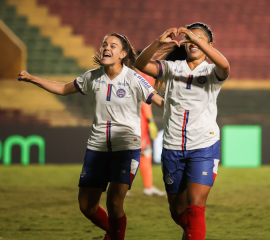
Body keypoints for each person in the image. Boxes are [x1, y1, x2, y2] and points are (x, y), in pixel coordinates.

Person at [17, 33, 164, 240]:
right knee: (86, 206)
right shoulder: (92, 76)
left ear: (122, 54)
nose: (106, 47)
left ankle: (115, 237)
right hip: (97, 147)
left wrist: (180, 108)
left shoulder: (133, 78)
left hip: (126, 147)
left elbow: (159, 101)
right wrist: (32, 78)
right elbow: (63, 88)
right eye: (104, 44)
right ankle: (111, 233)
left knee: (114, 201)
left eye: (113, 45)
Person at [135, 22, 230, 240]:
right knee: (178, 211)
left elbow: (225, 65)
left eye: (199, 38)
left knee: (196, 207)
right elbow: (141, 64)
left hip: (204, 147)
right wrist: (158, 42)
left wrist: (196, 39)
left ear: (209, 45)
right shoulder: (171, 68)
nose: (193, 41)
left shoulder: (213, 71)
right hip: (172, 147)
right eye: (189, 39)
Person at [127, 71, 166, 197]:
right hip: (139, 122)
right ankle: (121, 187)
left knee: (143, 153)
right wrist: (151, 121)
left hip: (133, 119)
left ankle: (148, 186)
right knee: (135, 154)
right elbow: (145, 100)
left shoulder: (130, 75)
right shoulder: (144, 76)